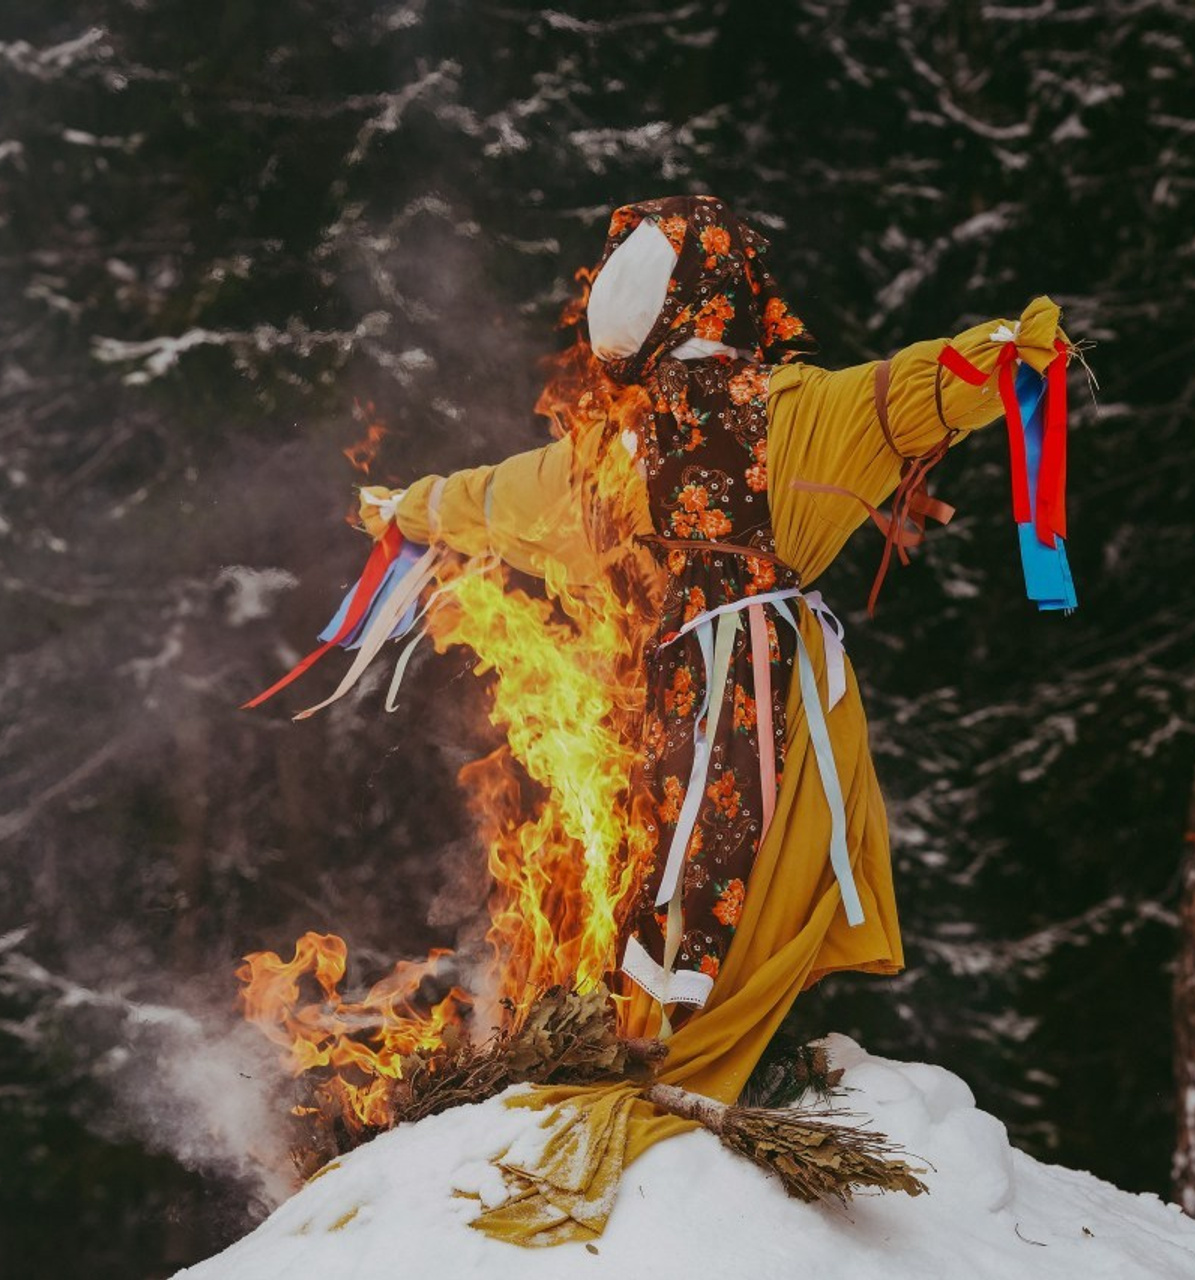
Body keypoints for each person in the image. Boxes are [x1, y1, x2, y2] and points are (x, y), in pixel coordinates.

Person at [352, 194, 1077, 1244]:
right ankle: (707, 1058)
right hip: (760, 695)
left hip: (658, 704)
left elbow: (487, 497)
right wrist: (1009, 353)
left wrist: (407, 507)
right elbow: (916, 391)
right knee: (740, 866)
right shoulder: (790, 410)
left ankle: (699, 1049)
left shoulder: (595, 454)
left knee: (677, 875)